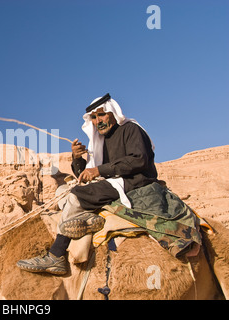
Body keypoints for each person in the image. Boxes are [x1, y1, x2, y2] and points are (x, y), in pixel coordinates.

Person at [16, 93, 158, 275]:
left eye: (102, 114)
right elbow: (85, 175)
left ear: (112, 113)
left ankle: (56, 255)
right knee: (62, 191)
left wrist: (99, 171)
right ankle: (89, 220)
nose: (98, 121)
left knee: (76, 196)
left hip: (135, 182)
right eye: (93, 117)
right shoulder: (100, 140)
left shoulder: (131, 129)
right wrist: (77, 158)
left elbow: (139, 160)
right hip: (112, 181)